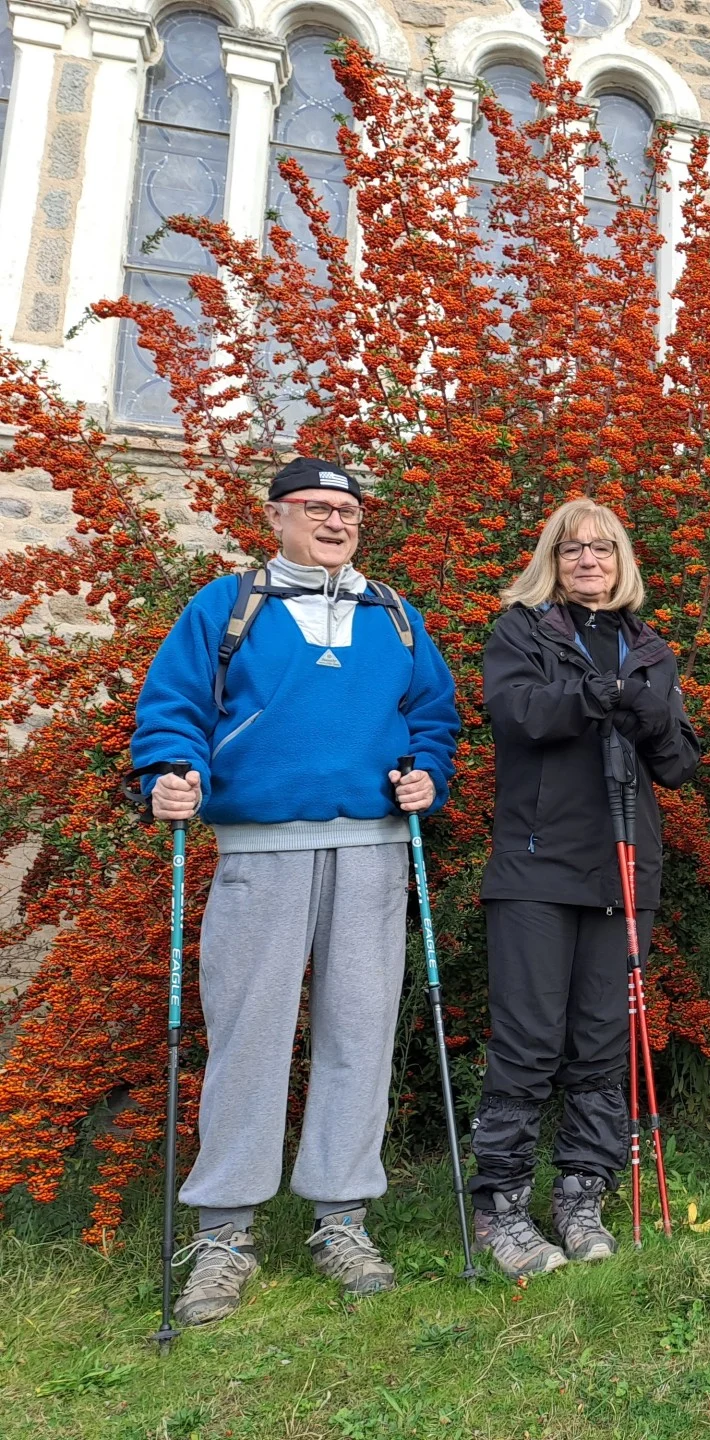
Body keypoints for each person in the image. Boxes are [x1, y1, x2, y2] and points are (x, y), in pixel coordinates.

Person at [130, 455, 460, 1326]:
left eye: (349, 510)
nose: (336, 521)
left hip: (374, 845)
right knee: (249, 1033)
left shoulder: (392, 613)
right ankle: (224, 1232)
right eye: (316, 507)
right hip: (260, 844)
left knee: (361, 1029)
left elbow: (435, 715)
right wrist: (170, 773)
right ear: (274, 517)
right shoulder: (228, 606)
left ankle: (341, 1217)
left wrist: (429, 773)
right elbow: (172, 709)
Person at [476, 498, 700, 1276]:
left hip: (624, 865)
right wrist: (593, 696)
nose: (588, 561)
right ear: (552, 560)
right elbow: (519, 715)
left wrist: (648, 713)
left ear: (622, 561)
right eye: (571, 550)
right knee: (531, 1040)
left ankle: (582, 1188)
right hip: (538, 867)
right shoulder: (523, 631)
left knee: (602, 1041)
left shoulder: (648, 647)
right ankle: (499, 1205)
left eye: (602, 549)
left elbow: (677, 764)